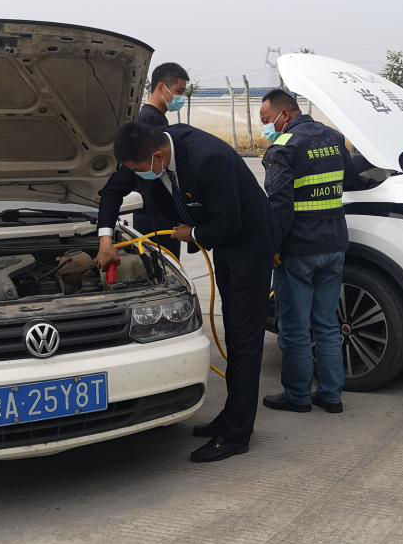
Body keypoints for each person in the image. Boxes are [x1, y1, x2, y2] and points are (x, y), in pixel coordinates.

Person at [112, 121, 274, 462]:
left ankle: (237, 434)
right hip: (228, 246)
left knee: (244, 341)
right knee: (235, 335)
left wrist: (194, 233)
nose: (140, 176)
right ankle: (230, 417)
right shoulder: (165, 150)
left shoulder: (208, 159)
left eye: (140, 170)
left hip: (250, 246)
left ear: (157, 157)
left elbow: (230, 221)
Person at [258, 89, 363, 415]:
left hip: (298, 250)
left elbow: (278, 204)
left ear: (285, 114)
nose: (265, 127)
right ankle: (331, 395)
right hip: (334, 245)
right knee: (327, 324)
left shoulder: (284, 147)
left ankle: (298, 395)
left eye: (266, 120)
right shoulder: (334, 137)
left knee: (295, 328)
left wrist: (273, 247)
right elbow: (351, 179)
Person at [97, 63, 189, 270]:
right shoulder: (150, 120)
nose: (181, 98)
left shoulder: (154, 117)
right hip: (155, 215)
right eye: (179, 91)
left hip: (157, 214)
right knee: (164, 271)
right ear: (161, 87)